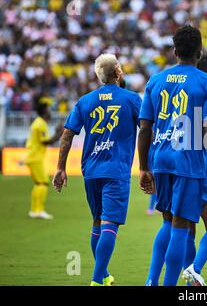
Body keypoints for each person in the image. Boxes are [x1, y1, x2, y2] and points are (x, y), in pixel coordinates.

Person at [138, 25, 207, 286]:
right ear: (200, 52)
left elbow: (145, 128)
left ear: (175, 51)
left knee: (166, 222)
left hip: (160, 157)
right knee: (181, 226)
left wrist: (143, 167)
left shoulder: (155, 80)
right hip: (187, 160)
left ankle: (152, 280)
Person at [52, 54, 142, 286]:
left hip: (91, 170)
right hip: (116, 171)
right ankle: (96, 280)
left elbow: (67, 134)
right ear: (118, 72)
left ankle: (103, 275)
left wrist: (60, 168)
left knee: (97, 222)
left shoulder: (85, 101)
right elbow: (147, 130)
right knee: (110, 224)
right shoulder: (131, 99)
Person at [181, 54, 207, 286]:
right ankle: (195, 268)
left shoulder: (181, 93)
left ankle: (190, 282)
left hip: (181, 166)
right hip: (205, 167)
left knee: (187, 228)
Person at [25, 103, 63, 220]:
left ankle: (34, 210)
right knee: (43, 183)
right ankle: (38, 210)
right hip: (35, 157)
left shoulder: (39, 123)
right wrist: (59, 133)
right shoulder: (40, 124)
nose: (49, 112)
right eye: (48, 110)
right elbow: (45, 142)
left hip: (34, 156)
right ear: (43, 112)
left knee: (38, 184)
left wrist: (58, 134)